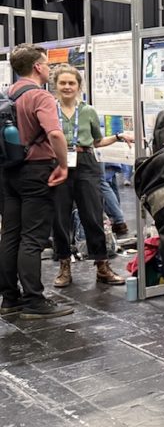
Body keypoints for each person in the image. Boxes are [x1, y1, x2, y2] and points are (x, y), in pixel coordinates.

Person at [0, 44, 71, 319]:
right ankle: (33, 301)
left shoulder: (7, 93)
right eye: (47, 63)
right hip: (37, 171)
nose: (49, 68)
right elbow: (54, 134)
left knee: (10, 236)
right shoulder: (41, 97)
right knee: (32, 238)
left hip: (8, 171)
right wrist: (63, 165)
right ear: (38, 67)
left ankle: (9, 298)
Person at [50, 64, 131, 288]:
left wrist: (118, 136)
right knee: (60, 218)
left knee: (93, 217)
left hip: (85, 163)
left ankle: (102, 266)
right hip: (58, 162)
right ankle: (64, 266)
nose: (67, 87)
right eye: (63, 83)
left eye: (71, 83)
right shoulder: (49, 109)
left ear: (79, 86)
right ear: (55, 86)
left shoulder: (88, 111)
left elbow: (97, 141)